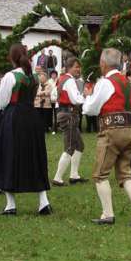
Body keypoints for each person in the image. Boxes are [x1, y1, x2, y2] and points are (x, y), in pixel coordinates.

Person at [81, 48, 131, 226]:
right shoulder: (127, 82)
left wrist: (87, 98)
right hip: (130, 130)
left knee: (100, 174)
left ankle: (107, 214)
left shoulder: (106, 82)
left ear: (103, 64)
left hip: (111, 131)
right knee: (125, 174)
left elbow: (92, 109)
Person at [0, 44, 52, 215]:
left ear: (12, 58)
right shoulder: (34, 77)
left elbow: (1, 103)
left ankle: (10, 204)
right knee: (35, 155)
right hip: (32, 117)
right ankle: (43, 202)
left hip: (14, 118)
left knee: (9, 155)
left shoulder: (11, 77)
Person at [51, 57, 87, 187]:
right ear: (69, 67)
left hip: (65, 113)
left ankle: (74, 175)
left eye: (79, 67)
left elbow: (53, 96)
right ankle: (58, 178)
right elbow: (75, 99)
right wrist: (85, 95)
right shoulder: (70, 81)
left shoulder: (61, 79)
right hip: (69, 114)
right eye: (76, 67)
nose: (79, 69)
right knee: (70, 147)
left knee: (79, 146)